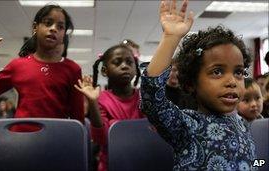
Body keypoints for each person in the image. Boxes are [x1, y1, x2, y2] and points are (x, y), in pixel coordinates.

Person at [140, 0, 256, 170]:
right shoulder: (184, 125)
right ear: (190, 84)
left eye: (238, 72)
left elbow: (253, 162)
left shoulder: (242, 124)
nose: (232, 81)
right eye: (217, 72)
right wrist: (170, 39)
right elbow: (152, 97)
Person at [0, 5, 84, 130]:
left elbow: (78, 121)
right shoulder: (18, 65)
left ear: (64, 34)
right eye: (48, 23)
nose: (53, 29)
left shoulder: (73, 69)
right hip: (21, 140)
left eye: (60, 26)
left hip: (55, 140)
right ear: (35, 27)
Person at [75, 44, 143, 171]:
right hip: (112, 164)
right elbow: (101, 138)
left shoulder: (144, 97)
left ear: (135, 67)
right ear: (105, 71)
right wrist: (93, 102)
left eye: (129, 62)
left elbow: (150, 133)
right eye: (117, 62)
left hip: (143, 161)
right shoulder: (102, 99)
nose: (124, 66)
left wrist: (116, 126)